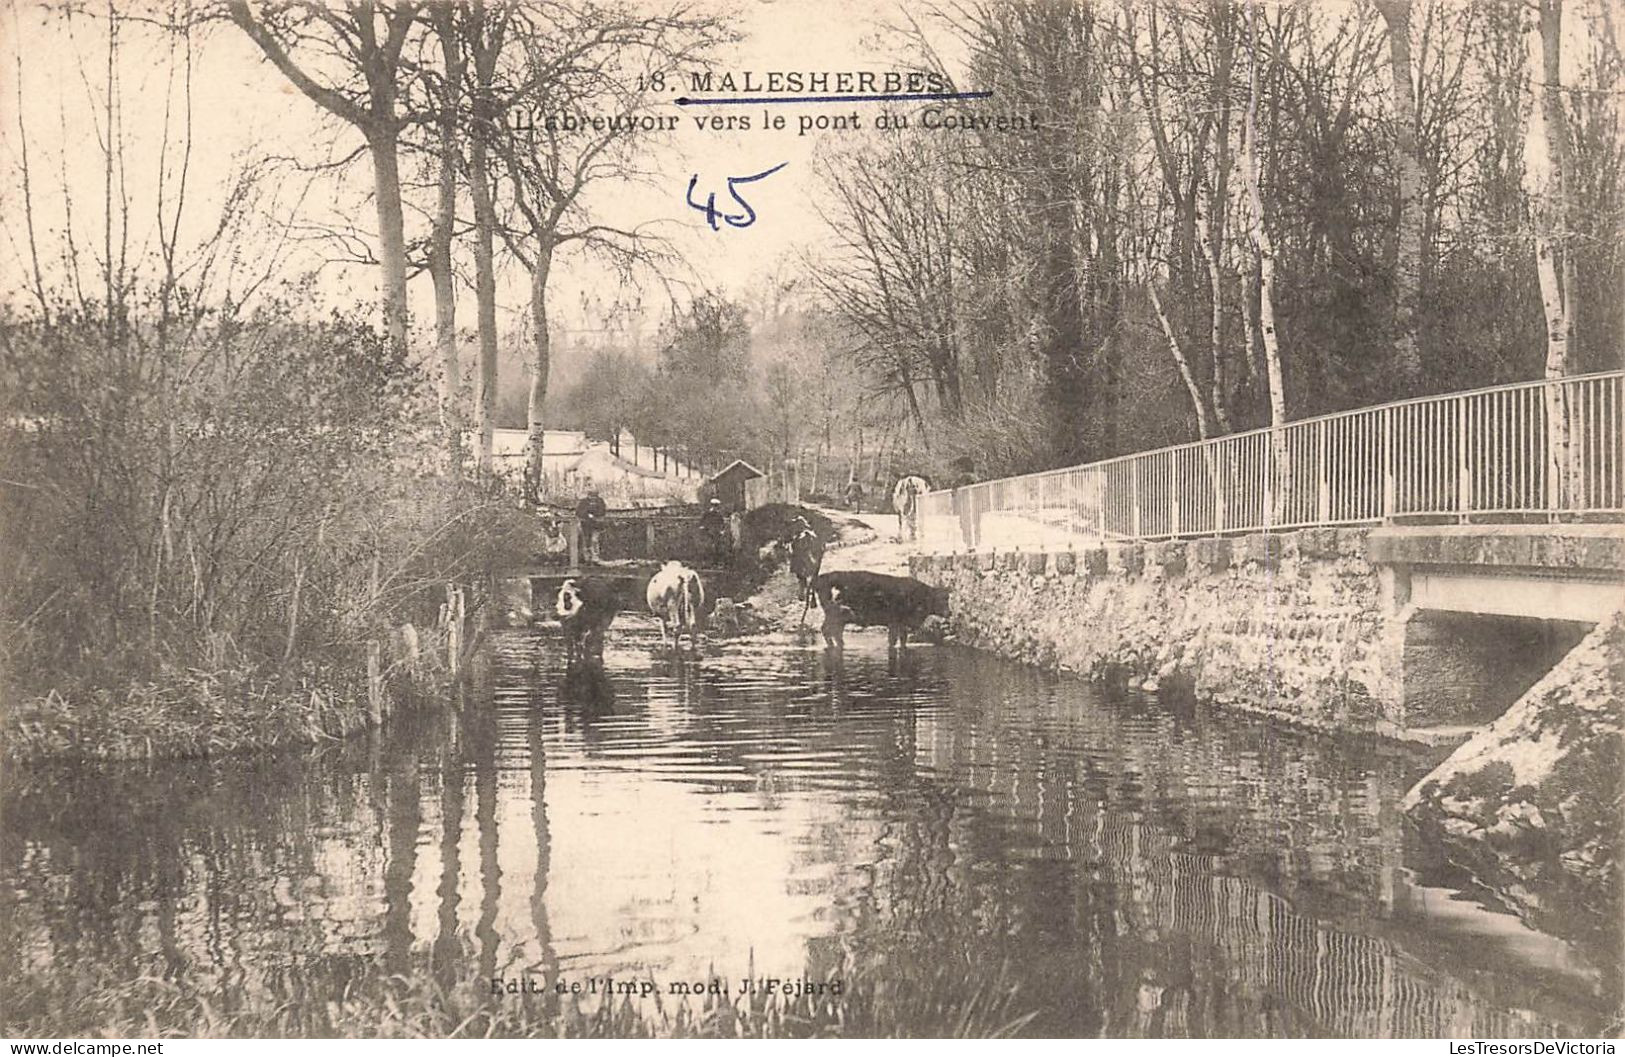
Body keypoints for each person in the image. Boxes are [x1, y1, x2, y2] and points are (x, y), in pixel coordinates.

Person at [576, 484, 607, 564]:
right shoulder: (583, 502)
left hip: (596, 525)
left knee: (594, 540)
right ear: (588, 495)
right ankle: (587, 558)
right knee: (585, 541)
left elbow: (602, 512)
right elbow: (579, 512)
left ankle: (595, 557)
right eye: (591, 496)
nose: (593, 498)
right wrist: (588, 514)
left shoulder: (600, 501)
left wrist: (593, 514)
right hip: (585, 525)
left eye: (594, 496)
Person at [698, 496, 730, 562]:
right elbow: (702, 522)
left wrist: (722, 530)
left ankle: (716, 561)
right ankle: (707, 560)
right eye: (714, 506)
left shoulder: (719, 515)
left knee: (718, 546)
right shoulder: (707, 514)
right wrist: (703, 527)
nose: (715, 507)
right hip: (707, 532)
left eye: (716, 506)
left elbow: (722, 523)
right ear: (711, 506)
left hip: (716, 532)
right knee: (707, 545)